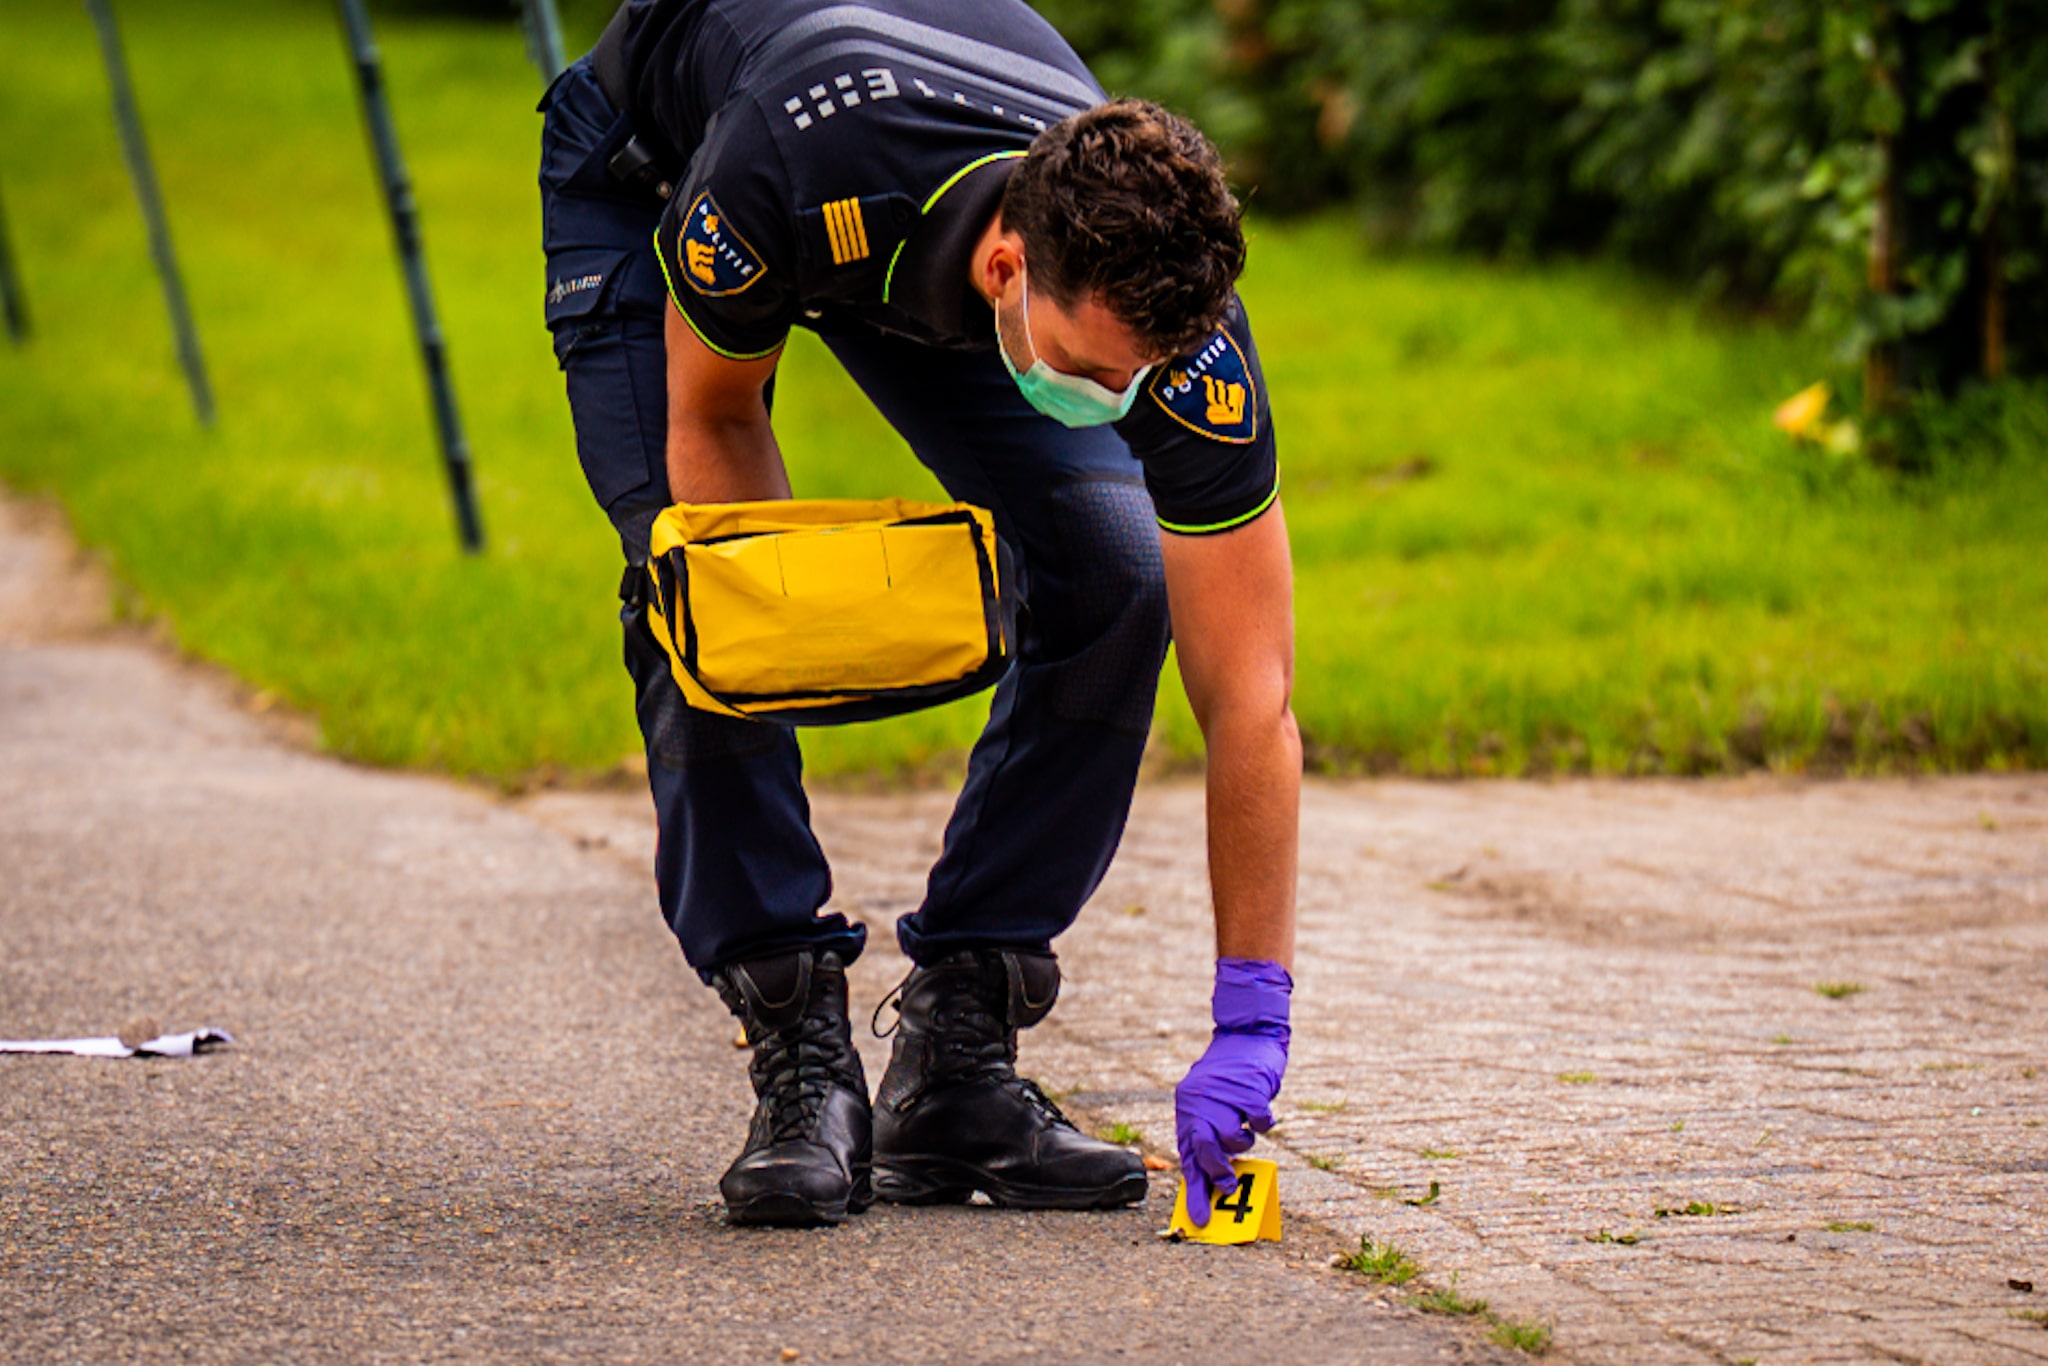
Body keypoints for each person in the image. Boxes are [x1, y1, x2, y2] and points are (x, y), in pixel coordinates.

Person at [538, 0, 1299, 1228]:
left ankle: (959, 1052)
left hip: (910, 223)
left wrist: (1251, 1013)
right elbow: (718, 422)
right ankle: (796, 1049)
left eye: (1144, 378)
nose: (1127, 403)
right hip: (665, 176)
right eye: (1100, 377)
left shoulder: (1170, 320)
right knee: (703, 590)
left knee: (1114, 573)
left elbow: (1251, 695)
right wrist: (793, 619)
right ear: (1006, 271)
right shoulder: (785, 165)